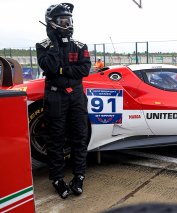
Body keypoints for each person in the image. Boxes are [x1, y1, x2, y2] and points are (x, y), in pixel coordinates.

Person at [36, 3, 91, 199]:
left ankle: (79, 176)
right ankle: (57, 179)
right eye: (62, 21)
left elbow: (84, 70)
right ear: (52, 23)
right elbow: (49, 66)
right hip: (55, 96)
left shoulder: (80, 45)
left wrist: (61, 70)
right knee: (55, 139)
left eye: (69, 20)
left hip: (76, 96)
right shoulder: (42, 46)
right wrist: (54, 42)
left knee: (79, 137)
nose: (67, 24)